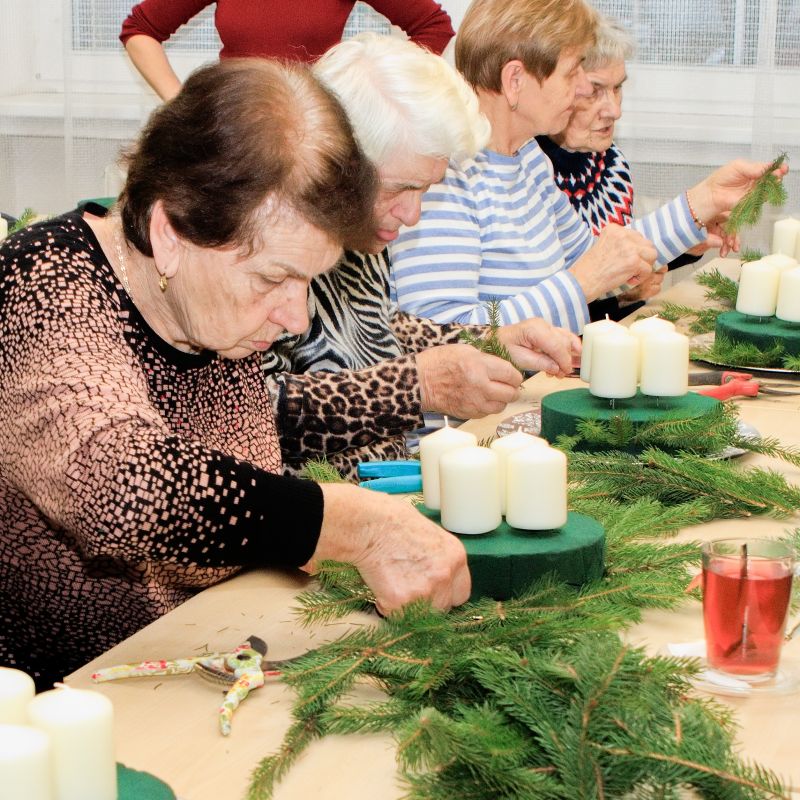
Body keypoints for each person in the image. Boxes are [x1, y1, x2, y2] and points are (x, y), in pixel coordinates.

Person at [0, 59, 470, 690]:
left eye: (309, 281)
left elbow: (245, 472)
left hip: (213, 655)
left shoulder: (216, 303)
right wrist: (350, 524)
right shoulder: (44, 283)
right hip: (64, 700)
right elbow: (122, 488)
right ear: (170, 233)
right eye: (275, 278)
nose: (297, 317)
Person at [263, 35, 581, 476]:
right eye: (400, 189)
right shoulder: (266, 243)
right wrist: (416, 387)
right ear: (339, 160)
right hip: (318, 504)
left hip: (384, 486)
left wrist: (488, 339)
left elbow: (379, 328)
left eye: (425, 189)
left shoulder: (359, 230)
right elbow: (257, 408)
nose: (412, 215)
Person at [390, 0, 788, 335]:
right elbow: (446, 337)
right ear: (515, 81)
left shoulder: (527, 158)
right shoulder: (444, 175)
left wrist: (704, 200)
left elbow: (594, 257)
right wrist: (582, 283)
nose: (582, 89)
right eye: (572, 72)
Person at [535, 14, 711, 321]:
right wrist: (619, 300)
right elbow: (544, 309)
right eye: (595, 90)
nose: (615, 110)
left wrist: (688, 244)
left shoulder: (611, 160)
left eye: (617, 88)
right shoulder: (531, 169)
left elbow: (622, 261)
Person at [120, 0, 455, 101]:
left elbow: (433, 26)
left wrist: (372, 94)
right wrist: (182, 104)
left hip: (313, 139)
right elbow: (140, 30)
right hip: (233, 135)